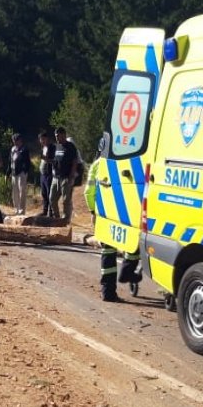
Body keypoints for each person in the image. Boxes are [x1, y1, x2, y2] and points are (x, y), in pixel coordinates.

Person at [85, 139, 143, 302]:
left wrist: (93, 211)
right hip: (128, 214)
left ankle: (108, 291)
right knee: (133, 245)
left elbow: (88, 192)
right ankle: (127, 271)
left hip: (104, 215)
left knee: (107, 253)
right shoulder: (133, 163)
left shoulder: (98, 165)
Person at [49, 126, 78, 222]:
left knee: (66, 201)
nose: (57, 138)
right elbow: (56, 160)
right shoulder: (57, 146)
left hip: (66, 178)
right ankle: (57, 219)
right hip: (55, 178)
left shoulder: (70, 147)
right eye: (55, 136)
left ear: (64, 135)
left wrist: (71, 177)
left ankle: (65, 220)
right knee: (52, 199)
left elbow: (74, 162)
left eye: (58, 136)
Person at [9, 133, 31, 215]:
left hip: (22, 173)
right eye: (13, 141)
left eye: (15, 140)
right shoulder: (12, 149)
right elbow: (10, 161)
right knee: (15, 193)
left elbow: (28, 162)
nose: (14, 142)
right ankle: (16, 209)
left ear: (20, 140)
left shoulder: (24, 149)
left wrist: (25, 171)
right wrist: (8, 173)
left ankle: (22, 210)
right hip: (14, 173)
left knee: (22, 192)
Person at [38, 131, 56, 217]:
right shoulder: (43, 148)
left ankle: (51, 212)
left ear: (47, 138)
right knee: (44, 193)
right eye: (41, 140)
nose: (42, 141)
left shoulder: (52, 148)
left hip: (49, 174)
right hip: (43, 174)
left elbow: (54, 161)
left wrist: (46, 159)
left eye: (43, 139)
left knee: (50, 194)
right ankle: (45, 211)